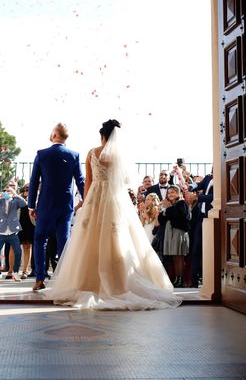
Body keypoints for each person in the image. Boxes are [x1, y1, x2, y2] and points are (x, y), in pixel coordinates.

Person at [44, 119, 182, 310]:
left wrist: (86, 205)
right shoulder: (120, 156)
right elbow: (125, 181)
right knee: (118, 241)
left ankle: (87, 282)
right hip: (115, 201)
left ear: (102, 136)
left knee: (89, 241)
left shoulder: (92, 152)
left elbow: (89, 183)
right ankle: (119, 281)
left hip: (95, 200)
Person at [28, 123, 85, 291]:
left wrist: (31, 205)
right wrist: (87, 198)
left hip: (45, 205)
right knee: (64, 243)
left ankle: (39, 278)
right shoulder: (74, 155)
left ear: (54, 134)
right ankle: (64, 281)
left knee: (40, 240)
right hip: (66, 206)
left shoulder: (42, 154)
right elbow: (80, 181)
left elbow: (34, 182)